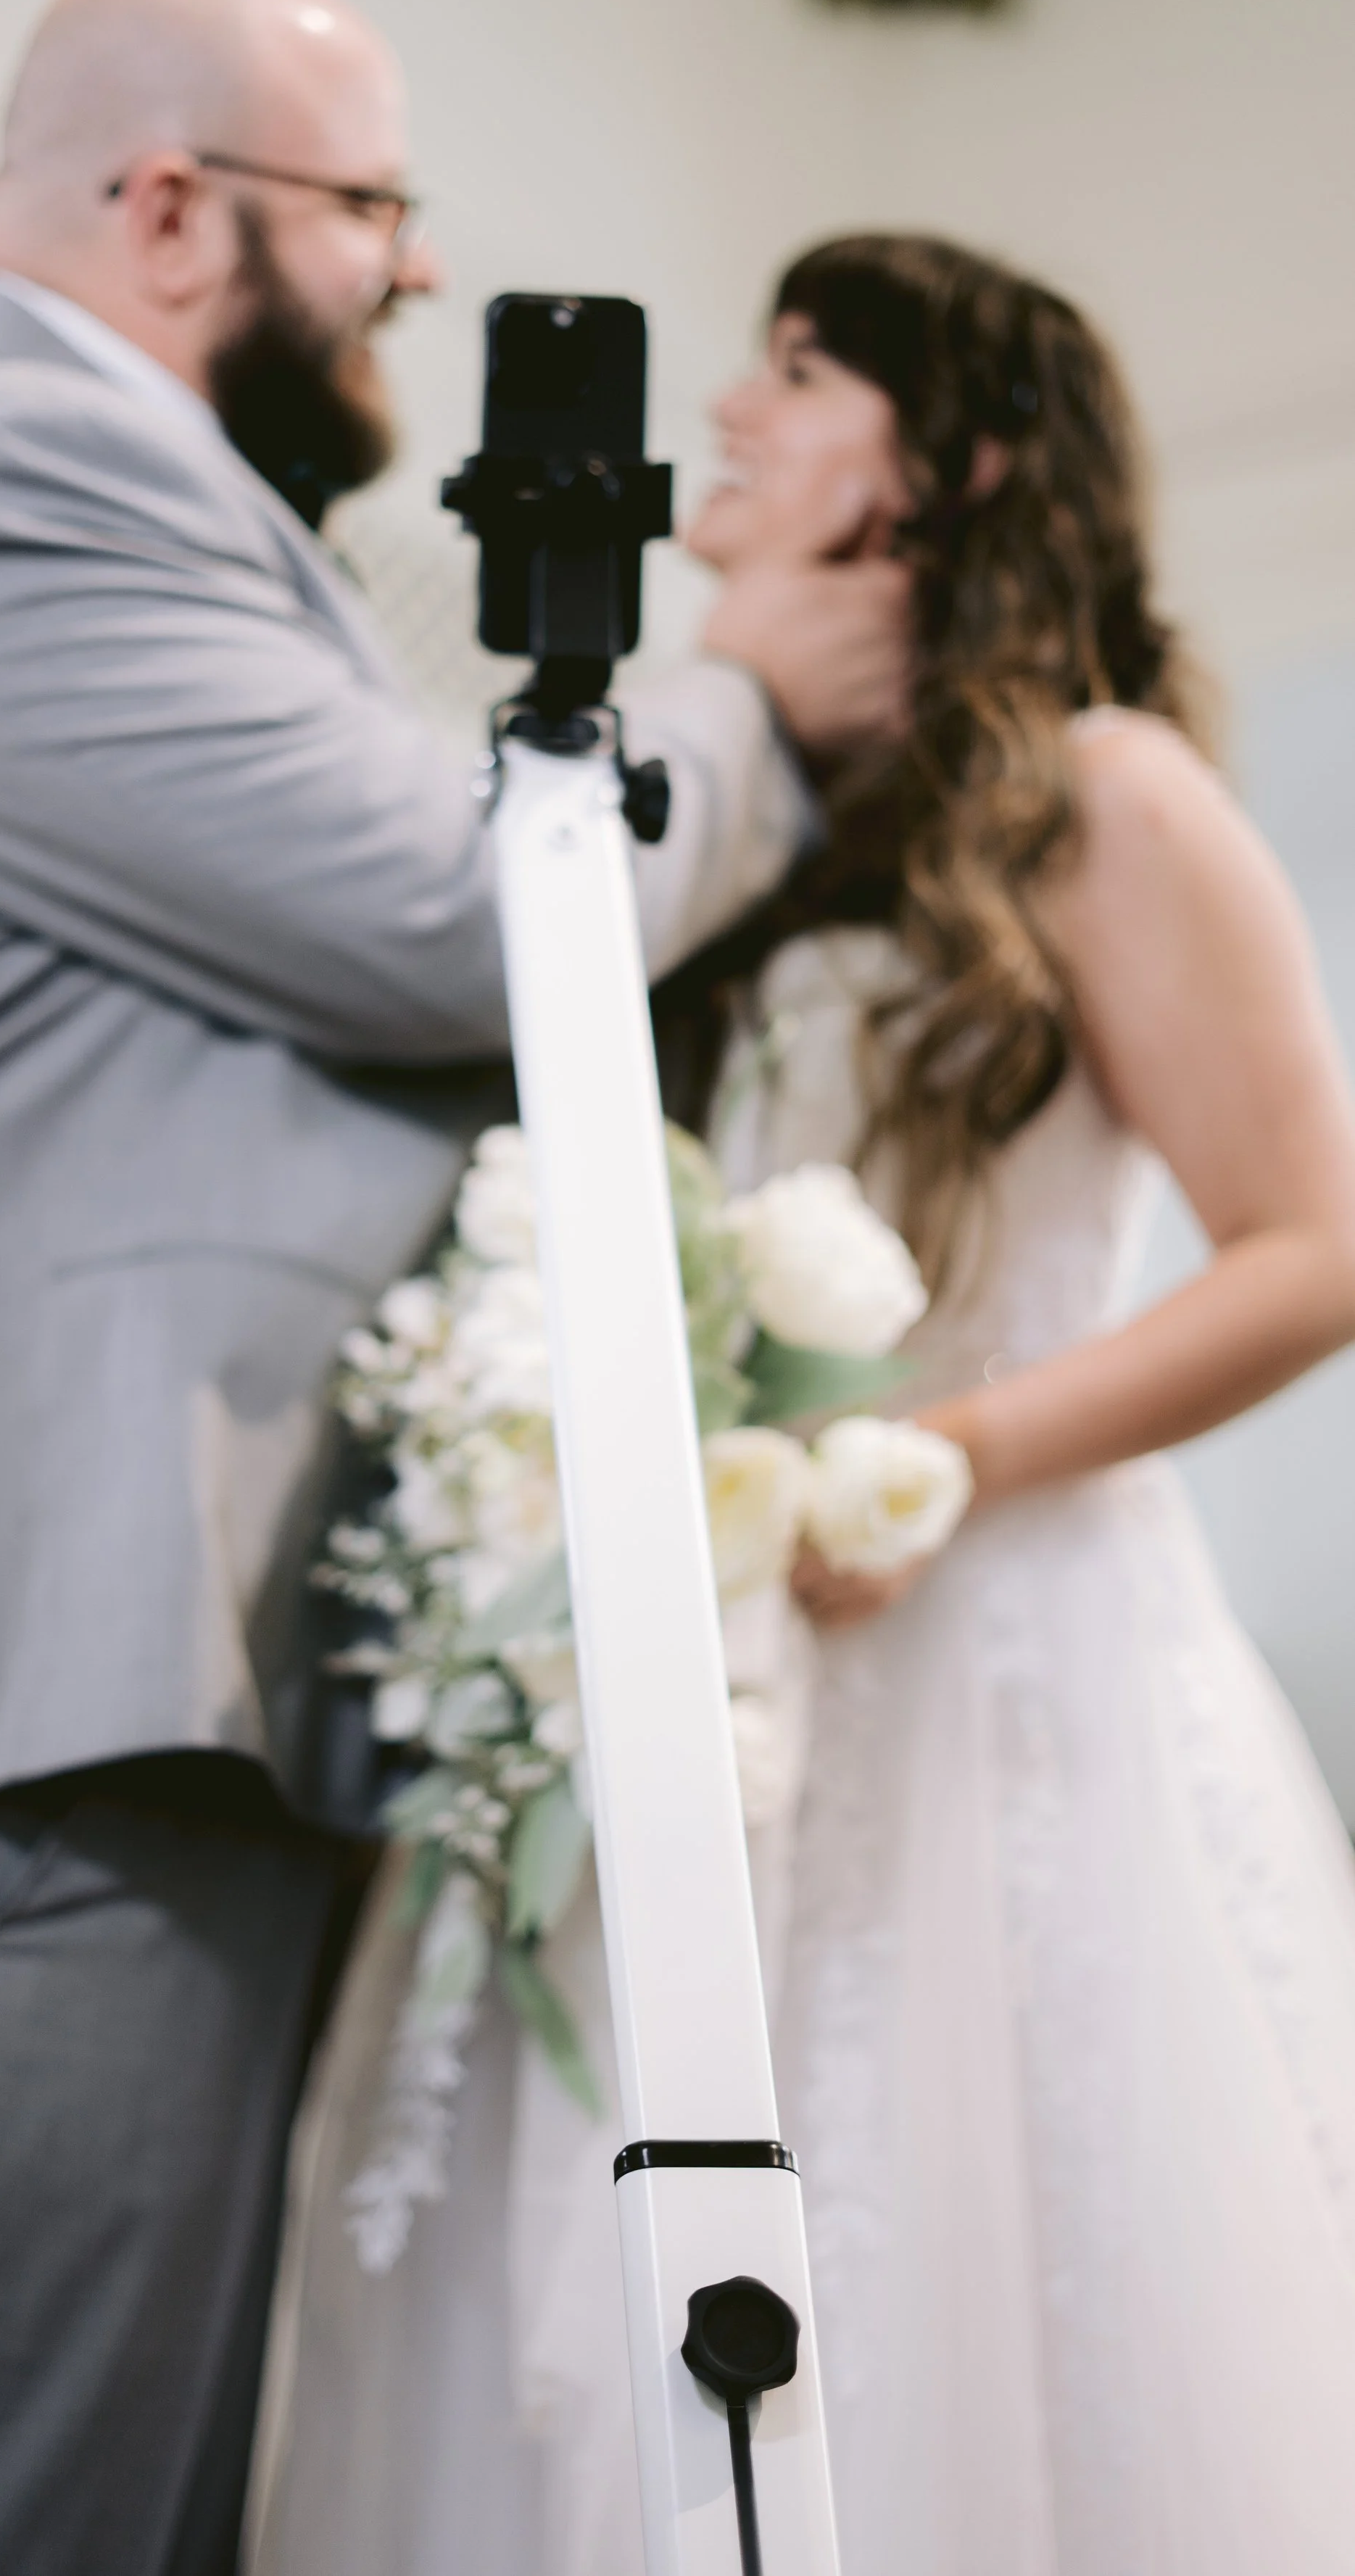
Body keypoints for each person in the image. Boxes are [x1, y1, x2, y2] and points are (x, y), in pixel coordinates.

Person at [0, 0, 911, 2576]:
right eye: (376, 206)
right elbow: (445, 908)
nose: (416, 268)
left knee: (95, 2506)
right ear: (177, 208)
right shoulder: (10, 473)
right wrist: (750, 697)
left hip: (63, 1687)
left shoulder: (122, 495)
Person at [248, 233, 1355, 2576]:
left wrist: (939, 1457)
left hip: (994, 1646)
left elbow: (1309, 1249)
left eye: (796, 370)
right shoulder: (722, 804)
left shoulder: (1101, 794)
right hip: (691, 1654)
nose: (728, 417)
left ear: (961, 461)